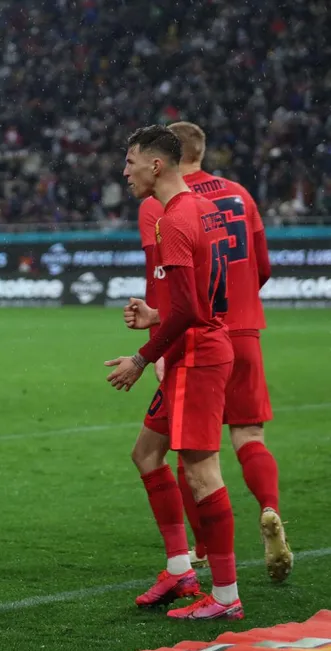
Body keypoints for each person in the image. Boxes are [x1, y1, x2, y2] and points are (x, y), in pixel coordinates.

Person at [134, 122, 290, 583]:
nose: (127, 171)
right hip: (241, 327)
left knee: (193, 455)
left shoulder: (162, 206)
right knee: (249, 435)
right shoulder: (237, 196)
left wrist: (154, 345)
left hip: (194, 336)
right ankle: (269, 508)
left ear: (164, 158)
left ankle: (205, 557)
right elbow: (263, 267)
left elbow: (162, 280)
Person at [107, 125, 242, 621]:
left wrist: (142, 358)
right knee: (146, 454)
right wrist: (155, 315)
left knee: (202, 473)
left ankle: (225, 596)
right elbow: (193, 300)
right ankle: (181, 568)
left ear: (156, 164)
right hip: (197, 345)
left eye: (130, 161)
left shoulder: (173, 219)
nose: (125, 172)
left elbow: (188, 311)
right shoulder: (202, 207)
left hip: (198, 355)